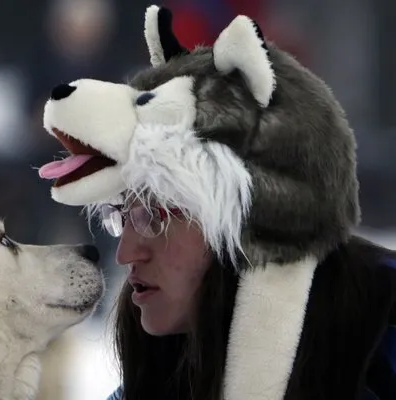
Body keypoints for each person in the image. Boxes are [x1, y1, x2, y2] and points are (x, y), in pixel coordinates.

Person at [35, 4, 396, 400]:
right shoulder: (159, 376)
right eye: (122, 215)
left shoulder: (380, 361)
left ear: (255, 224)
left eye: (152, 216)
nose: (125, 253)